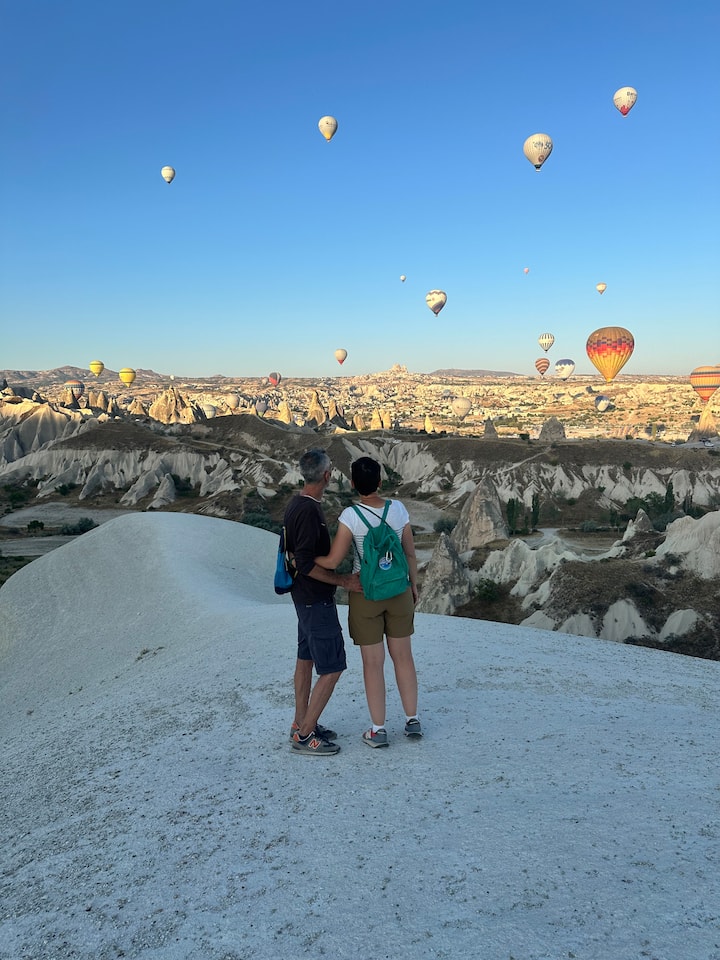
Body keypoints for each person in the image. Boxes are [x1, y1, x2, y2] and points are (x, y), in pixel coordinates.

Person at [315, 456, 422, 748]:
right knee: (404, 657)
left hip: (366, 593)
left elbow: (335, 560)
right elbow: (410, 553)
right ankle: (412, 720)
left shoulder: (350, 516)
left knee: (373, 664)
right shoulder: (398, 509)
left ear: (352, 484)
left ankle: (378, 729)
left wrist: (310, 559)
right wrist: (413, 586)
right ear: (379, 482)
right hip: (398, 590)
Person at [284, 448, 361, 756]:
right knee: (333, 666)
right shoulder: (308, 511)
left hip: (304, 599)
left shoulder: (297, 503)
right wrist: (343, 581)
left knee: (306, 660)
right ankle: (304, 736)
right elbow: (303, 562)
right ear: (327, 475)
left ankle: (301, 722)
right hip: (315, 601)